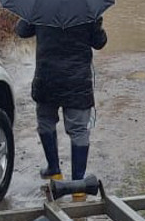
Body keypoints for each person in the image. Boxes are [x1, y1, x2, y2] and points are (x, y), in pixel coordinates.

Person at [15, 16, 107, 199]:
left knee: (46, 122)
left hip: (47, 78)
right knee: (79, 130)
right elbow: (100, 42)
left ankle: (54, 170)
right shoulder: (87, 8)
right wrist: (97, 23)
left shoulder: (41, 3)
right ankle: (79, 186)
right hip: (78, 82)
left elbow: (22, 30)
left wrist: (30, 12)